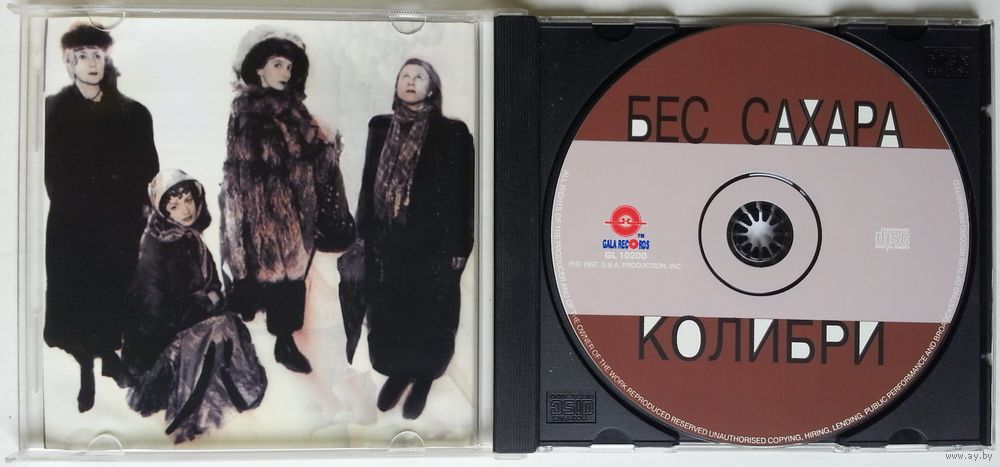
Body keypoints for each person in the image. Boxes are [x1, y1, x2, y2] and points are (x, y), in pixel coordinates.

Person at [220, 26, 354, 374]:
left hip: (298, 214)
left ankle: (284, 342)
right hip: (261, 217)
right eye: (277, 65)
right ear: (259, 69)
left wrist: (327, 147)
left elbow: (314, 165)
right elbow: (238, 178)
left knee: (292, 281)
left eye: (289, 67)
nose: (285, 73)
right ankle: (242, 344)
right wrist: (245, 229)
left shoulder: (298, 114)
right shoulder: (246, 113)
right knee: (261, 282)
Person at [44, 22, 159, 412]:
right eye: (82, 56)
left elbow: (148, 170)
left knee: (114, 289)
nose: (91, 63)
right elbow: (50, 174)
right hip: (72, 224)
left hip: (119, 223)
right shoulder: (52, 112)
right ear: (69, 63)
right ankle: (85, 372)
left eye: (97, 55)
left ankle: (111, 357)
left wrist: (133, 213)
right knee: (77, 294)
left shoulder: (133, 114)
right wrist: (75, 208)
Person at [355, 58, 474, 419]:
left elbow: (463, 193)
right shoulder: (380, 126)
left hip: (431, 241)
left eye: (419, 77)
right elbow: (368, 180)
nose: (410, 81)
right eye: (404, 76)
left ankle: (423, 377)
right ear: (396, 84)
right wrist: (363, 232)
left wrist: (459, 244)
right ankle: (398, 372)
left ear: (431, 88)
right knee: (390, 309)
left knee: (430, 312)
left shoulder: (452, 132)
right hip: (387, 238)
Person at [122, 169, 267, 443]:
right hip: (158, 349)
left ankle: (237, 392)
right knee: (222, 329)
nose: (186, 210)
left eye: (188, 200)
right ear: (163, 211)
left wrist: (212, 297)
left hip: (185, 325)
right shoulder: (156, 247)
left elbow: (210, 283)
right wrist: (203, 304)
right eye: (174, 206)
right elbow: (154, 315)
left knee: (229, 326)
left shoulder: (187, 236)